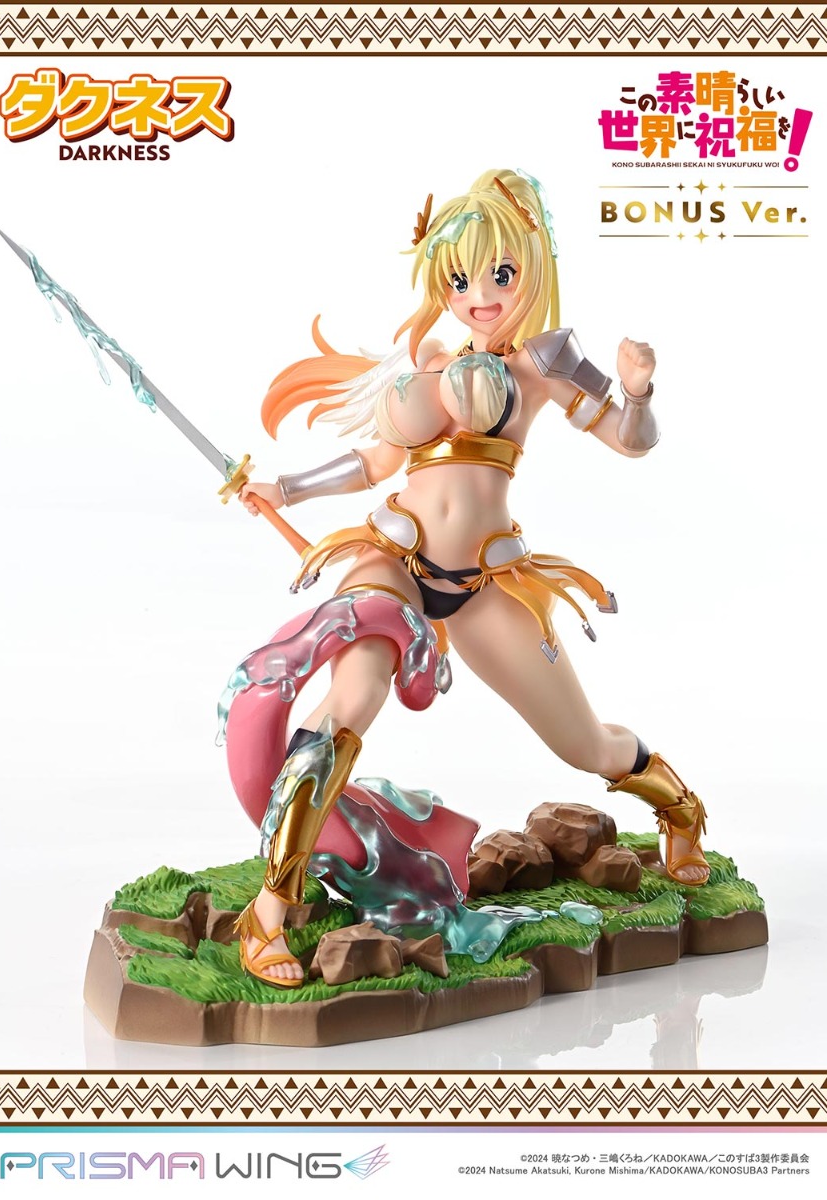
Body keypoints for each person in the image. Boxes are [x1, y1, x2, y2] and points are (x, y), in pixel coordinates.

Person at [230, 168, 709, 988]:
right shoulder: (425, 361)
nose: (479, 296)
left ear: (531, 265)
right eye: (459, 280)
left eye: (499, 274)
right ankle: (269, 907)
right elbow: (375, 460)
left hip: (488, 582)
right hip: (393, 559)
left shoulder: (546, 362)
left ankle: (680, 808)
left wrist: (637, 392)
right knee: (352, 701)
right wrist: (288, 488)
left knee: (582, 741)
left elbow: (633, 441)